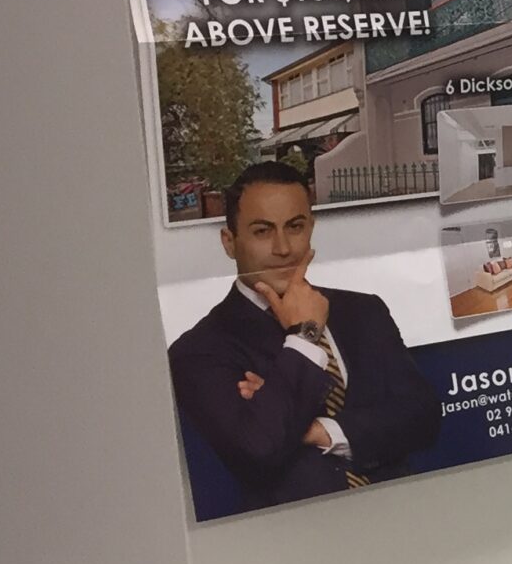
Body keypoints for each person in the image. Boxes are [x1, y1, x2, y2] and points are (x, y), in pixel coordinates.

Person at [168, 162, 439, 510]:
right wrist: (304, 337)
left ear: (311, 227)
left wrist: (318, 430)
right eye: (262, 231)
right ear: (229, 242)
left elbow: (423, 417)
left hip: (406, 514)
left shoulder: (364, 311)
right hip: (297, 535)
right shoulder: (199, 351)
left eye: (295, 227)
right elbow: (259, 449)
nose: (283, 248)